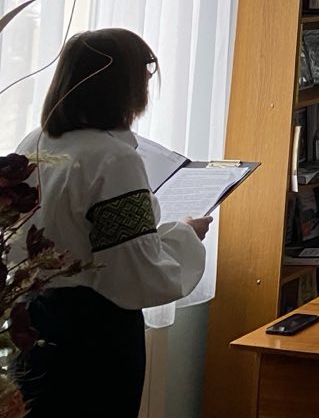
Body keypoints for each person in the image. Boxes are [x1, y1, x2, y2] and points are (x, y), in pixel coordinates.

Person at [13, 30, 208, 416]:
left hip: (32, 321)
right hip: (94, 334)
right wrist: (186, 234)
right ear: (125, 85)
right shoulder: (114, 159)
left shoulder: (33, 142)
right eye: (145, 73)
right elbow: (131, 270)